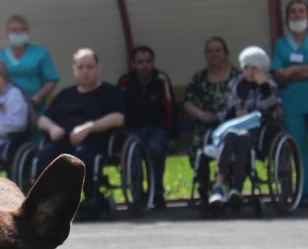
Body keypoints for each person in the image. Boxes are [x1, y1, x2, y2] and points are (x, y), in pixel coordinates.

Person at [35, 48, 125, 203]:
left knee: (83, 155)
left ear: (98, 68)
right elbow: (42, 120)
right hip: (63, 140)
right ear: (74, 70)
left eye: (90, 67)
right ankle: (47, 201)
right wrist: (52, 128)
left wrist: (88, 127)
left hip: (95, 141)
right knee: (46, 155)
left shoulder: (109, 92)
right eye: (81, 67)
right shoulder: (65, 95)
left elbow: (118, 118)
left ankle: (92, 198)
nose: (85, 71)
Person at [208, 46, 281, 208]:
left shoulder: (270, 86)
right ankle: (219, 186)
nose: (249, 72)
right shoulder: (234, 85)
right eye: (246, 68)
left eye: (254, 68)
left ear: (262, 69)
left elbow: (273, 111)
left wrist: (263, 87)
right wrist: (234, 112)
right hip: (231, 128)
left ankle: (235, 188)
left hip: (258, 131)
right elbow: (221, 109)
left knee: (243, 136)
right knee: (234, 133)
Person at [271, 0, 308, 206]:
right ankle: (307, 190)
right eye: (293, 11)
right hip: (292, 104)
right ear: (288, 17)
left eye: (301, 11)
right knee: (298, 147)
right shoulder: (282, 43)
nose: (297, 14)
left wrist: (293, 71)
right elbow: (278, 74)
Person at [117, 46, 179, 209]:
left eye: (148, 61)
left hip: (157, 128)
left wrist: (173, 136)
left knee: (156, 149)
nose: (144, 65)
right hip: (133, 129)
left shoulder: (161, 80)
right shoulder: (125, 82)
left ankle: (157, 192)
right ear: (133, 64)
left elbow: (171, 109)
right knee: (134, 154)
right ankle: (138, 195)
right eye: (140, 62)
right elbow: (118, 109)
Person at [184, 37, 242, 176]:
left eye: (218, 50)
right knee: (197, 148)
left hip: (231, 125)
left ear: (225, 53)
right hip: (205, 127)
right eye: (210, 51)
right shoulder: (199, 78)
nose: (214, 54)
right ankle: (205, 187)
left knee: (234, 145)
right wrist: (201, 115)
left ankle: (229, 183)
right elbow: (188, 102)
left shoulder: (237, 77)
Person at [0, 15, 59, 115]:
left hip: (35, 108)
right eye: (14, 30)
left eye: (23, 29)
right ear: (7, 34)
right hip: (7, 109)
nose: (18, 32)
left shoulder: (40, 52)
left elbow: (52, 80)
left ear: (27, 33)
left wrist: (38, 97)